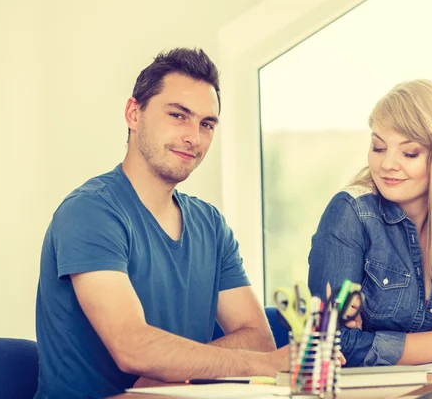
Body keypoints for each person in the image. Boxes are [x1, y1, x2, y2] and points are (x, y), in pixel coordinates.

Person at [34, 48, 289, 399]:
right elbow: (132, 347)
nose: (194, 138)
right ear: (133, 113)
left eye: (206, 124)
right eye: (178, 115)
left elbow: (258, 337)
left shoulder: (210, 224)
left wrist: (175, 371)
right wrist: (261, 365)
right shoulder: (90, 212)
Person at [307, 79, 432, 398]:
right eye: (378, 147)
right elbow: (333, 345)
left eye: (410, 152)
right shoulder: (351, 213)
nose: (387, 163)